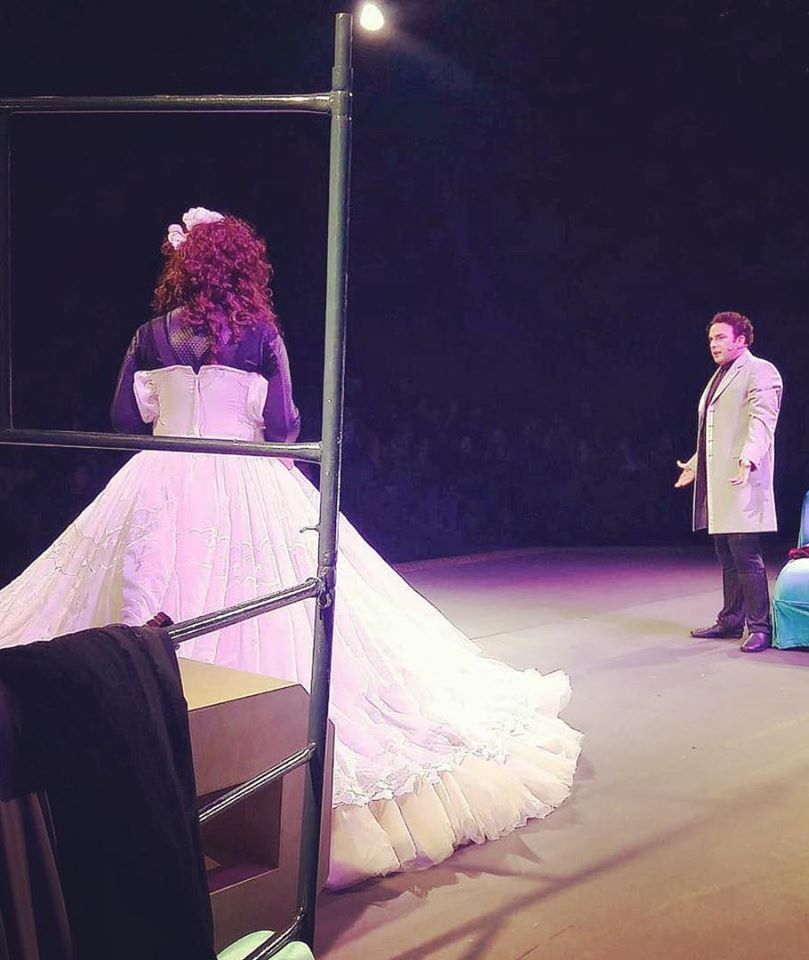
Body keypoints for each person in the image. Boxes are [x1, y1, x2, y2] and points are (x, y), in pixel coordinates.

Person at [0, 207, 582, 888]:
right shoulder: (259, 335)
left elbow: (123, 417)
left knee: (139, 597)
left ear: (182, 265)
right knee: (278, 610)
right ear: (241, 266)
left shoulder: (151, 334)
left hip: (159, 480)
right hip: (246, 478)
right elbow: (283, 425)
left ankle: (157, 746)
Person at [674, 311, 782, 653]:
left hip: (742, 476)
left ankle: (760, 627)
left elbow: (762, 421)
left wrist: (749, 458)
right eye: (711, 339)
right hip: (721, 481)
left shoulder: (760, 370)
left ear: (741, 339)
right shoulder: (719, 376)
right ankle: (731, 619)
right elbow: (714, 432)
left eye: (721, 337)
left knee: (745, 552)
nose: (713, 344)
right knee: (727, 553)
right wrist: (695, 464)